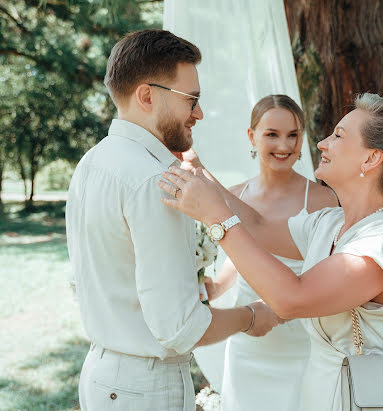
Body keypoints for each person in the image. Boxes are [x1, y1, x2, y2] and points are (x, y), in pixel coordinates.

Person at [159, 93, 383, 411]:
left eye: (338, 136)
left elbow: (292, 298)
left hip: (360, 400)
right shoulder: (328, 222)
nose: (321, 143)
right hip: (317, 396)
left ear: (370, 159)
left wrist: (215, 219)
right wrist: (196, 170)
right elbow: (254, 224)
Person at [66, 29, 279, 411]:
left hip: (101, 374)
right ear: (147, 96)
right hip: (144, 388)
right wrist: (252, 317)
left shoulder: (92, 161)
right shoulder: (156, 180)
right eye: (191, 100)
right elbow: (179, 328)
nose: (199, 113)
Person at [196, 94, 338, 411]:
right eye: (272, 134)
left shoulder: (322, 200)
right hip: (248, 343)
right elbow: (242, 255)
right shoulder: (236, 195)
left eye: (293, 135)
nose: (284, 146)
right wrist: (218, 286)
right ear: (252, 136)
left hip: (300, 342)